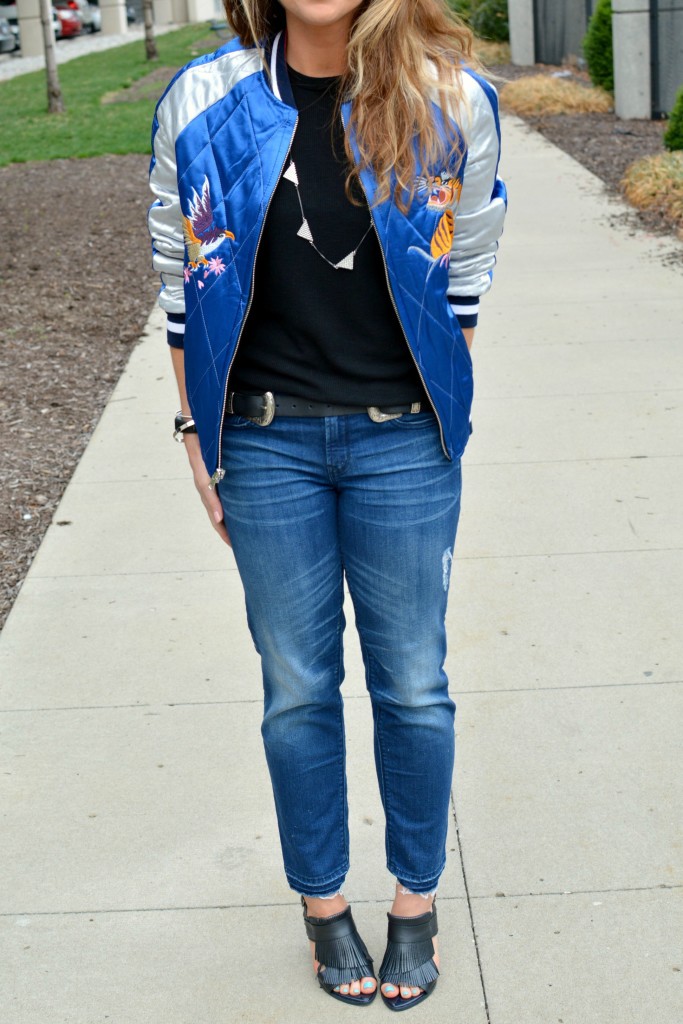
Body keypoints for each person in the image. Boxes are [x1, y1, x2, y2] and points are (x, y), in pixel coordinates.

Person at [148, 0, 505, 1010]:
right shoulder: (202, 100)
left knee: (412, 682)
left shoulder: (449, 101)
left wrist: (446, 396)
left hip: (403, 439)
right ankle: (321, 902)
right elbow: (182, 276)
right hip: (265, 442)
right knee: (298, 686)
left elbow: (468, 262)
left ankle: (412, 901)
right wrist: (194, 435)